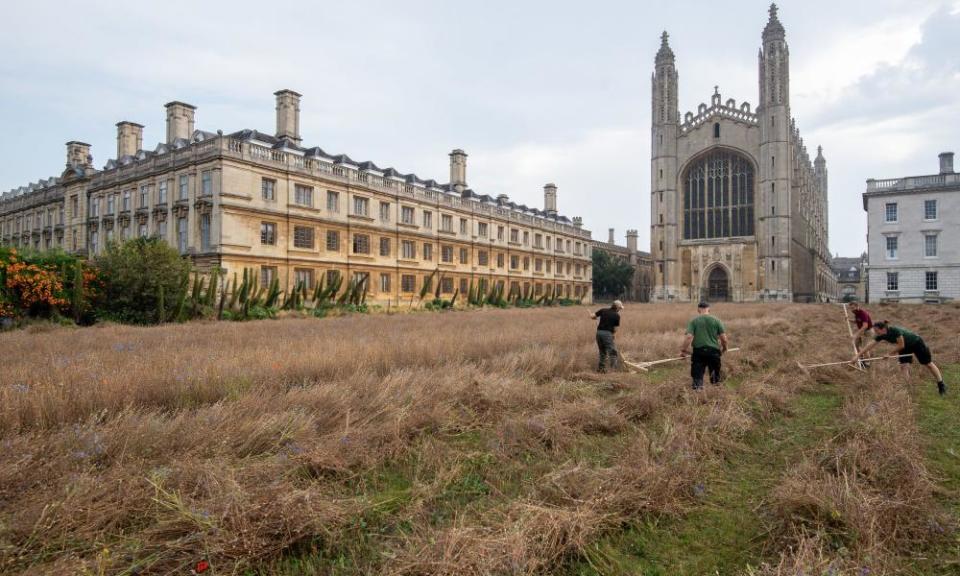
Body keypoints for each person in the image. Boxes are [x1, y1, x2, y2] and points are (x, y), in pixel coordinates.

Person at [855, 321, 946, 396]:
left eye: (876, 330)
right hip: (905, 347)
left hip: (916, 343)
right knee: (903, 366)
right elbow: (870, 345)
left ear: (883, 329)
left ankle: (941, 384)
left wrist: (889, 354)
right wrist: (857, 356)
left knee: (928, 364)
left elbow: (901, 345)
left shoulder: (895, 331)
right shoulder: (881, 335)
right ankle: (909, 387)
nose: (875, 332)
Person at [681, 301, 729, 390]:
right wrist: (724, 349)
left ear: (698, 309)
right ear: (709, 309)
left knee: (697, 377)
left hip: (699, 353)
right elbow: (724, 339)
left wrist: (683, 350)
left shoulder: (694, 321)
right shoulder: (717, 320)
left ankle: (698, 397)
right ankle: (717, 396)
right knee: (715, 378)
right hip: (714, 352)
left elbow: (689, 337)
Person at [591, 300, 623, 373]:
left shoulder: (603, 310)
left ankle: (601, 370)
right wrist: (612, 335)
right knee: (613, 352)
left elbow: (592, 316)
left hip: (599, 333)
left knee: (603, 352)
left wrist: (593, 317)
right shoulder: (616, 315)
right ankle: (613, 370)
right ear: (617, 308)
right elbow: (615, 329)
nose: (620, 310)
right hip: (607, 334)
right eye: (620, 308)